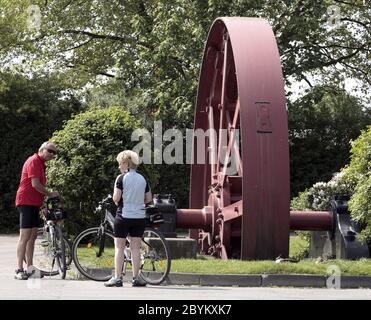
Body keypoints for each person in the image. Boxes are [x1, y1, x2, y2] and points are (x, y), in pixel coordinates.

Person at [104, 150, 152, 287]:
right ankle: (136, 278)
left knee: (119, 247)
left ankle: (118, 278)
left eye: (120, 164)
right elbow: (148, 198)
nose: (119, 167)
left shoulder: (120, 178)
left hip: (124, 215)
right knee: (135, 248)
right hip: (139, 217)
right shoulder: (143, 179)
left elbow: (116, 198)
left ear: (126, 163)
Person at [14, 141, 59, 280]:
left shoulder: (41, 164)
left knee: (32, 237)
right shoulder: (34, 160)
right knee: (25, 236)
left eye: (54, 152)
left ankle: (30, 268)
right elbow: (35, 184)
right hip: (26, 202)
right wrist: (50, 194)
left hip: (34, 203)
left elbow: (38, 188)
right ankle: (19, 269)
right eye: (50, 150)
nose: (52, 154)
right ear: (42, 149)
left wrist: (42, 204)